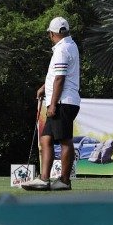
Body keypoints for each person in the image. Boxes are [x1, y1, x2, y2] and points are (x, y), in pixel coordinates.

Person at [26, 16, 81, 191]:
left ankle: (64, 181)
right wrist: (44, 88)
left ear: (51, 34)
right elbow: (57, 76)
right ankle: (44, 179)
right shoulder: (70, 45)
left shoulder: (61, 49)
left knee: (64, 140)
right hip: (64, 100)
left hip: (63, 101)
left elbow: (60, 79)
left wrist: (53, 104)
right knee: (46, 138)